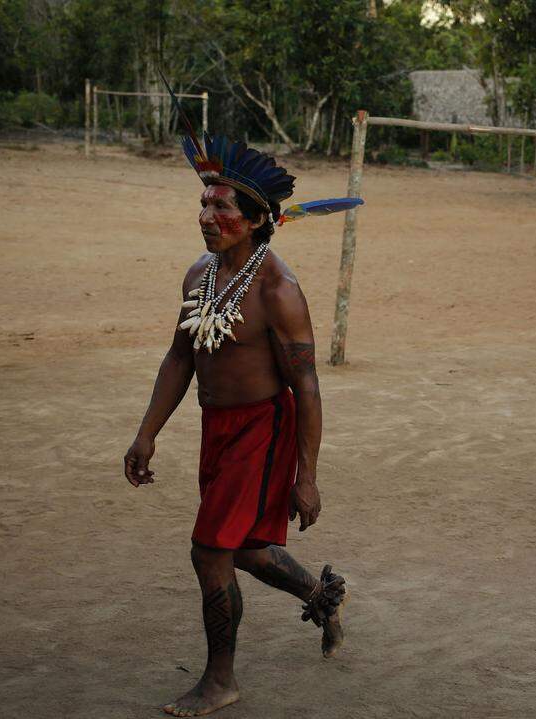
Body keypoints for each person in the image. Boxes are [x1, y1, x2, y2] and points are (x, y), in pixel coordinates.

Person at [123, 133, 358, 717]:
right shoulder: (199, 275)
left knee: (210, 551)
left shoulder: (279, 291)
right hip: (217, 428)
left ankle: (220, 679)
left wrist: (307, 475)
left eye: (221, 208)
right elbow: (181, 357)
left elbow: (306, 386)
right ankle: (321, 596)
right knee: (248, 549)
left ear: (255, 222)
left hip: (264, 432)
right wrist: (146, 431)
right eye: (205, 204)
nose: (207, 216)